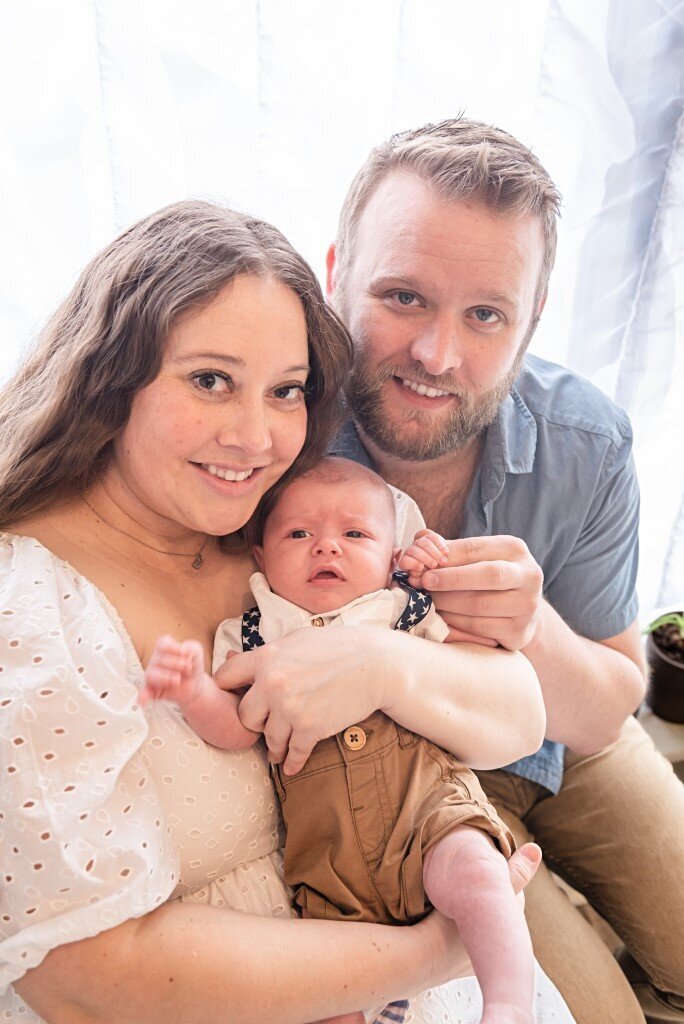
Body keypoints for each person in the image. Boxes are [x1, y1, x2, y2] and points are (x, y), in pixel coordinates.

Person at [0, 199, 570, 1024]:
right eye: (210, 381)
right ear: (108, 376)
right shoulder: (33, 614)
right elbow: (92, 976)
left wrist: (379, 663)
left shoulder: (274, 536)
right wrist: (433, 951)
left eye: (287, 391)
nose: (256, 436)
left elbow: (519, 717)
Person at [324, 116, 684, 1024]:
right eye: (403, 296)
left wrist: (530, 632)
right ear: (335, 276)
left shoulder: (588, 444)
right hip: (420, 781)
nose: (439, 356)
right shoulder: (271, 443)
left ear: (531, 322)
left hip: (565, 741)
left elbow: (607, 704)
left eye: (485, 314)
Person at [141, 455, 537, 1024]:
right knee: (327, 999)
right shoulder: (250, 634)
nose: (327, 547)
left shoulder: (404, 610)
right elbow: (235, 728)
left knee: (479, 877)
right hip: (327, 856)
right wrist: (194, 691)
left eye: (355, 533)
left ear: (392, 556)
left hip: (425, 808)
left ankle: (508, 1005)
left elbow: (482, 674)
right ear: (260, 555)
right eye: (299, 533)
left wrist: (432, 569)